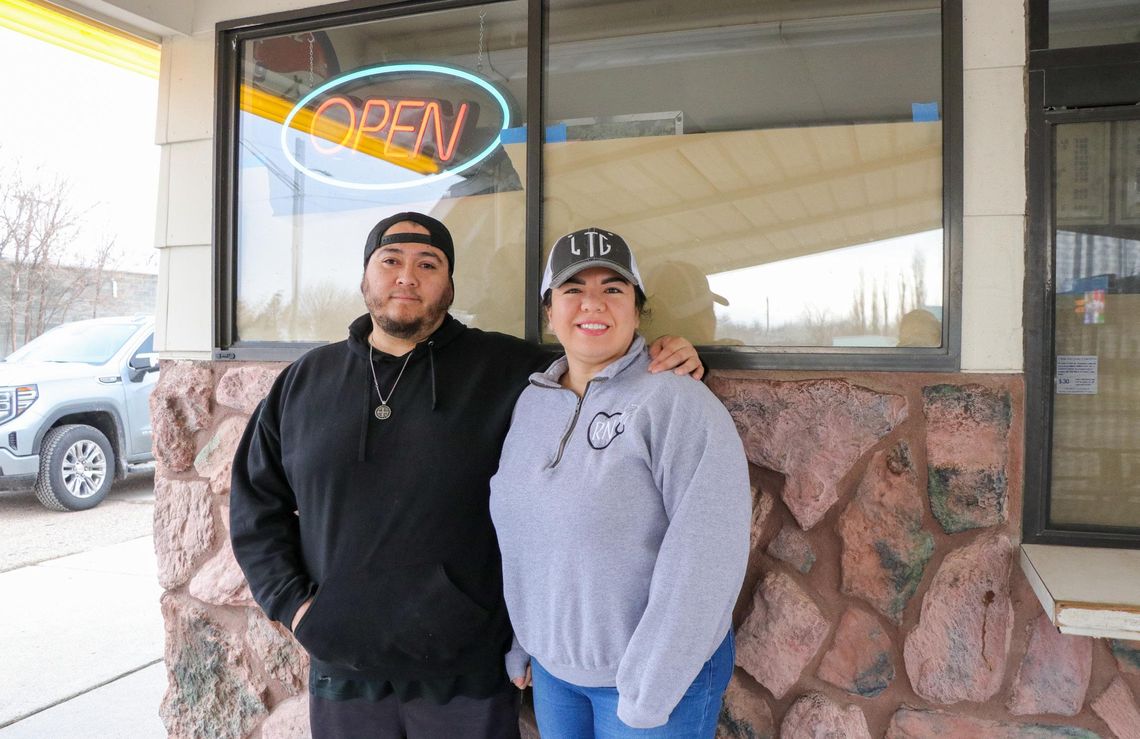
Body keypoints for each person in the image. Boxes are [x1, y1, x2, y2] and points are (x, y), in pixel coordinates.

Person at [228, 212, 703, 739]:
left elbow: (596, 348)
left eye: (427, 263)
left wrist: (666, 352)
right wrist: (296, 607)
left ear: (450, 284)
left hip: (466, 670)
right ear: (365, 277)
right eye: (391, 261)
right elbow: (256, 505)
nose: (407, 276)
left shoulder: (508, 369)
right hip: (344, 667)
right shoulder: (303, 383)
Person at [489, 227, 751, 738]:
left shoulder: (675, 401)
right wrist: (527, 640)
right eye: (572, 290)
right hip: (555, 675)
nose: (593, 304)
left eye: (613, 288)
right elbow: (523, 534)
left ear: (637, 310)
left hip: (649, 681)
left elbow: (707, 553)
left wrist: (649, 690)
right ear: (549, 311)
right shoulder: (532, 402)